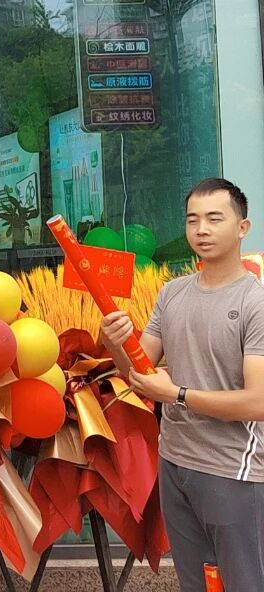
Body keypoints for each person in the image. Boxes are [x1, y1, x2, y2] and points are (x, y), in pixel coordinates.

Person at [101, 177, 264, 592]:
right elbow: (139, 373)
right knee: (196, 583)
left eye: (214, 219)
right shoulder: (172, 293)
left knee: (243, 582)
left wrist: (177, 395)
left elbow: (258, 403)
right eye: (193, 220)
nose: (201, 229)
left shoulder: (255, 302)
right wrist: (115, 343)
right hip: (175, 462)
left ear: (242, 228)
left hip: (233, 469)